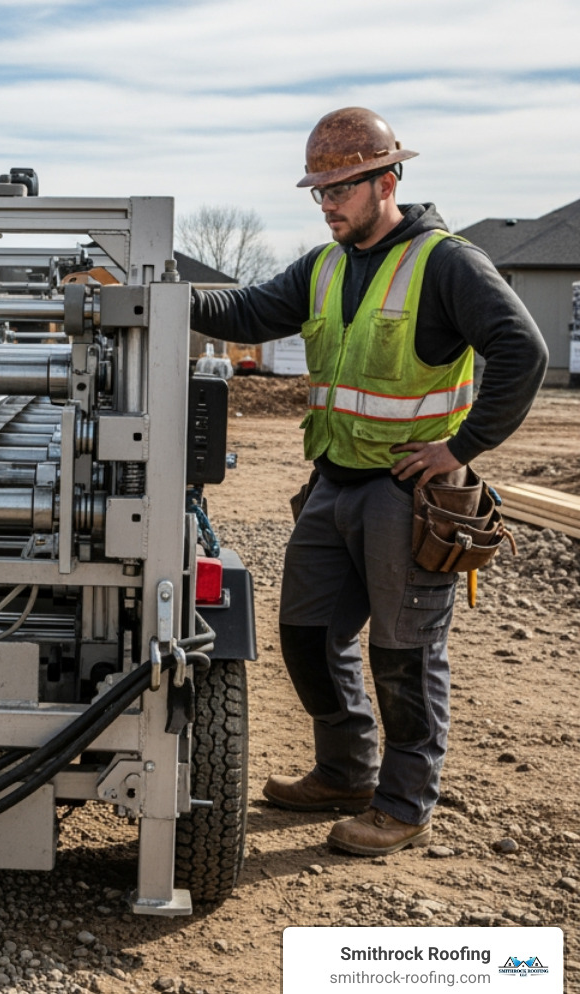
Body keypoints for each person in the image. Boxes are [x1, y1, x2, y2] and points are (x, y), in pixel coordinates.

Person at [191, 107, 547, 856]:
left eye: (340, 189)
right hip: (334, 482)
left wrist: (463, 447)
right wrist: (161, 297)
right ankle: (346, 770)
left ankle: (405, 804)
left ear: (387, 180)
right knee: (306, 635)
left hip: (406, 491)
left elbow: (523, 351)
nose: (326, 203)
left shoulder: (446, 262)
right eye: (318, 191)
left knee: (405, 653)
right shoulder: (323, 266)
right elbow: (251, 311)